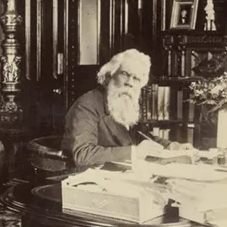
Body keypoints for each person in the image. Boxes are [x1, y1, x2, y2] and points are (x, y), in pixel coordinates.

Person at [62, 49, 195, 167]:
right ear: (109, 76)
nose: (130, 83)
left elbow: (142, 137)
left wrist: (171, 146)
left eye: (136, 78)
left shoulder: (125, 103)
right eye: (125, 74)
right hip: (88, 179)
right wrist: (134, 152)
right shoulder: (87, 105)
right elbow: (83, 154)